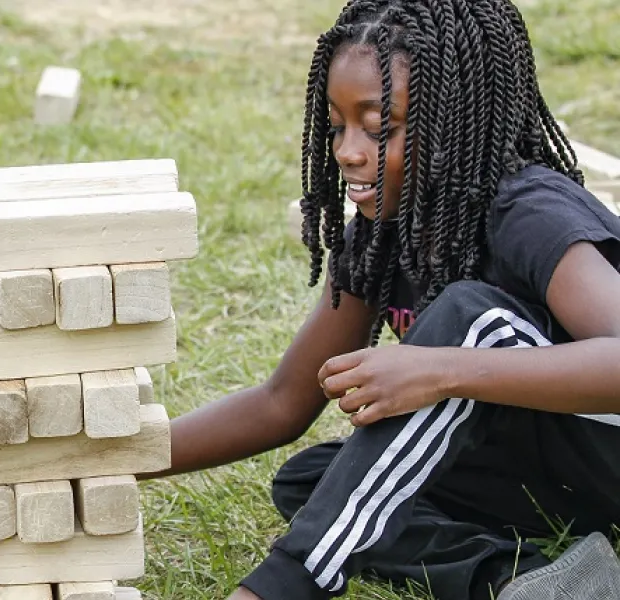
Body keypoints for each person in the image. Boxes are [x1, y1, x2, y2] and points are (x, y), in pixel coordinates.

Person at [141, 1, 620, 599]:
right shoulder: (380, 233)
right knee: (315, 485)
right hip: (551, 481)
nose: (346, 150)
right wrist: (119, 456)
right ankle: (525, 580)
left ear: (455, 119)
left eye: (378, 126)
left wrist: (442, 370)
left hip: (604, 454)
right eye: (338, 125)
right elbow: (281, 403)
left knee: (468, 316)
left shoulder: (527, 212)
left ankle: (284, 584)